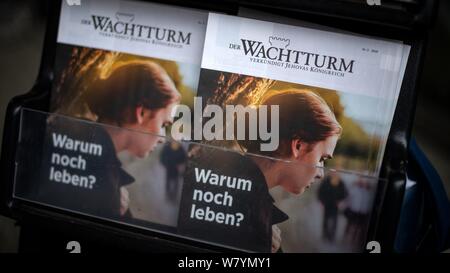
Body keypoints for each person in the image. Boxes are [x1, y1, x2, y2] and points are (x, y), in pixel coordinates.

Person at [178, 89, 342, 253]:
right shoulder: (253, 224)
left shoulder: (209, 168)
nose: (321, 173)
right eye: (322, 159)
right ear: (298, 146)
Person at [38, 61, 180, 220]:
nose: (162, 138)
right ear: (142, 113)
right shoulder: (106, 188)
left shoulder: (62, 129)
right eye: (164, 124)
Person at [318, 171, 348, 242]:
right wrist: (321, 202)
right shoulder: (326, 181)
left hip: (335, 206)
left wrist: (340, 201)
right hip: (327, 204)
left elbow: (344, 193)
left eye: (336, 173)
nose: (334, 174)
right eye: (333, 173)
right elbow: (320, 192)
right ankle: (325, 235)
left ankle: (332, 236)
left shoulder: (340, 182)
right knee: (325, 220)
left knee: (334, 221)